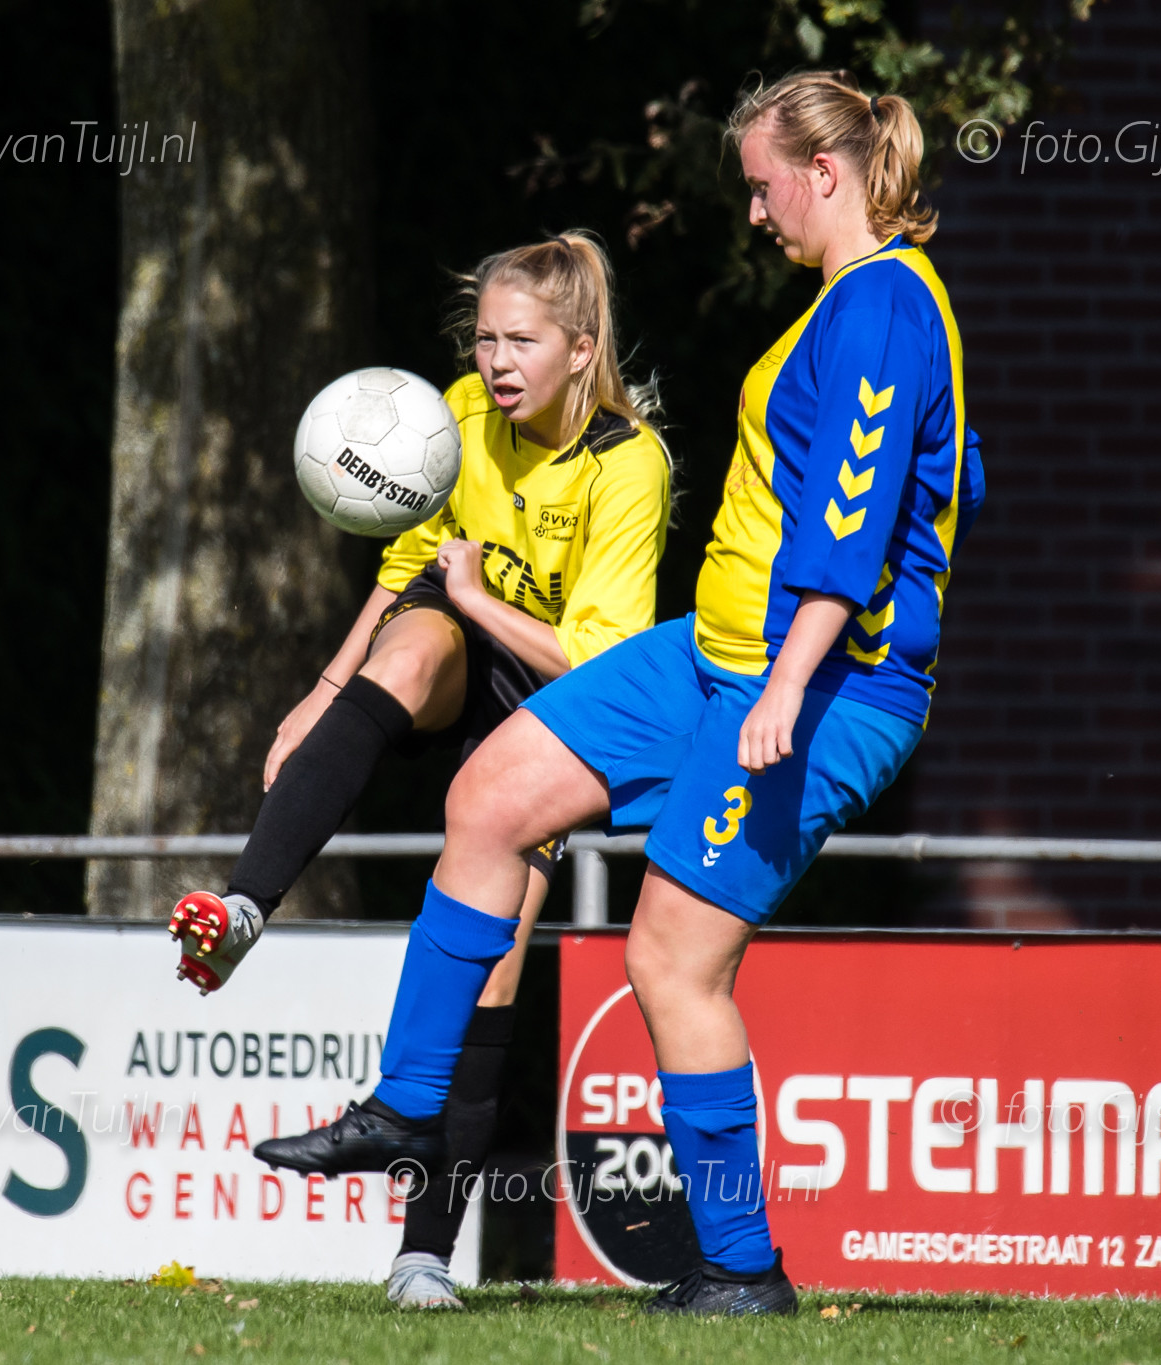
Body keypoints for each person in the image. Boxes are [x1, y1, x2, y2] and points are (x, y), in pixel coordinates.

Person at [252, 71, 985, 1316]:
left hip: (820, 685)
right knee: (489, 797)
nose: (752, 211)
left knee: (670, 961)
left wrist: (786, 688)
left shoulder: (880, 305)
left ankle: (739, 1270)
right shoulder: (854, 300)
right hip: (716, 653)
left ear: (823, 173)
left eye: (760, 185)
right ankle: (406, 1106)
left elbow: (852, 524)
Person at [173, 231, 671, 1307]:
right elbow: (407, 571)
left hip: (555, 701)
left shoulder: (629, 464)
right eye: (484, 338)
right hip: (455, 647)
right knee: (406, 646)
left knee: (490, 969)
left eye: (521, 341)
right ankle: (246, 907)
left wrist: (479, 598)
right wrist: (322, 692)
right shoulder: (451, 416)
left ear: (582, 350)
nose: (495, 362)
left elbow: (600, 663)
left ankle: (423, 1257)